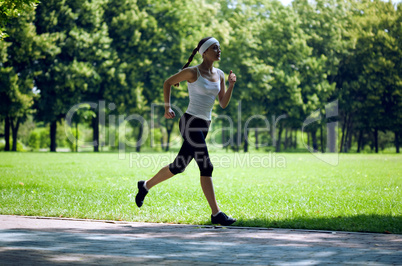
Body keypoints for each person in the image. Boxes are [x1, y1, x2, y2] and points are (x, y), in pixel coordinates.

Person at [135, 37, 237, 226]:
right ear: (204, 52)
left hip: (204, 125)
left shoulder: (221, 74)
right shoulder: (193, 72)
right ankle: (216, 213)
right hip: (190, 122)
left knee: (179, 166)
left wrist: (231, 86)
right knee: (206, 166)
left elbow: (223, 103)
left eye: (219, 47)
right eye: (215, 48)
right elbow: (167, 83)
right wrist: (167, 108)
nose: (219, 50)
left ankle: (145, 185)